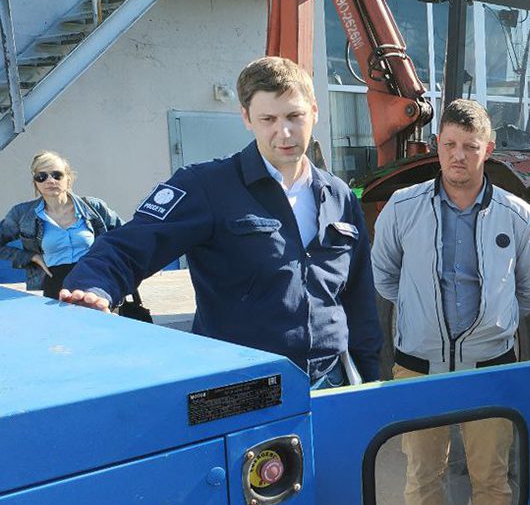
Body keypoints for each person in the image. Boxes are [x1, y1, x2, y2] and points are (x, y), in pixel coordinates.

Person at [60, 57, 381, 388]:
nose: (283, 132)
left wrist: (371, 381)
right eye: (268, 119)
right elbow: (128, 247)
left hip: (332, 381)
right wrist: (94, 289)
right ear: (246, 118)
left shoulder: (339, 196)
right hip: (245, 386)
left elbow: (359, 300)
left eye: (294, 116)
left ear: (314, 111)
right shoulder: (206, 187)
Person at [371, 98, 530, 505]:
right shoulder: (402, 206)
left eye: (469, 145)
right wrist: (422, 321)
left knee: (492, 477)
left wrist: (490, 328)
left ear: (487, 149)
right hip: (419, 367)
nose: (458, 155)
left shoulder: (517, 215)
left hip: (490, 368)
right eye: (449, 144)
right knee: (423, 476)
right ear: (437, 145)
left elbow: (529, 292)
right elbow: (385, 277)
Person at [0, 152, 123, 298]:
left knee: (98, 319)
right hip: (55, 282)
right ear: (35, 183)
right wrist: (31, 257)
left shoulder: (93, 207)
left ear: (68, 179)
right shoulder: (22, 213)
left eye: (57, 175)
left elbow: (125, 235)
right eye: (42, 176)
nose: (50, 180)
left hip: (96, 279)